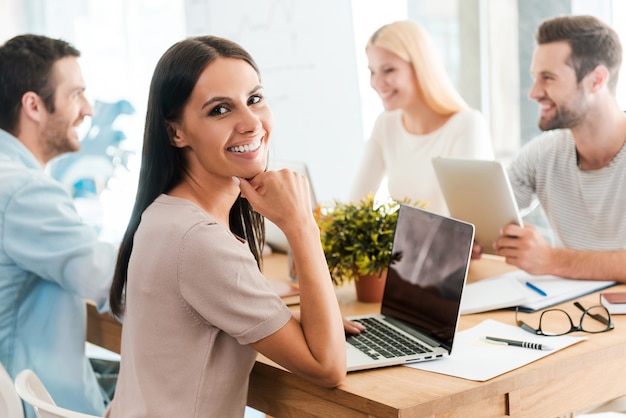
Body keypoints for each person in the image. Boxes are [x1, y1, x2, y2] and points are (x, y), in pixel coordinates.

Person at [105, 35, 349, 417]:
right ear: (176, 132)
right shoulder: (199, 241)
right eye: (220, 110)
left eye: (254, 99)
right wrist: (301, 224)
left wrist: (313, 322)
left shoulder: (163, 214)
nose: (251, 124)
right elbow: (327, 368)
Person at [0, 35, 118, 417]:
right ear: (33, 105)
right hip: (36, 402)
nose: (86, 109)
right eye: (76, 95)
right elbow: (116, 285)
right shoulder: (25, 192)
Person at [494, 15, 626, 284]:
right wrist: (482, 239)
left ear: (596, 80)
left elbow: (549, 260)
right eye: (535, 77)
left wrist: (551, 259)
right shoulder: (542, 154)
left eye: (548, 78)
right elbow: (492, 221)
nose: (534, 93)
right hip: (564, 313)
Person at [350, 20, 494, 215]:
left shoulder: (466, 125)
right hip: (406, 245)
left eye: (389, 70)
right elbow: (354, 206)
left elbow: (470, 222)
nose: (376, 82)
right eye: (372, 72)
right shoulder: (386, 124)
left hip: (452, 246)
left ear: (420, 67)